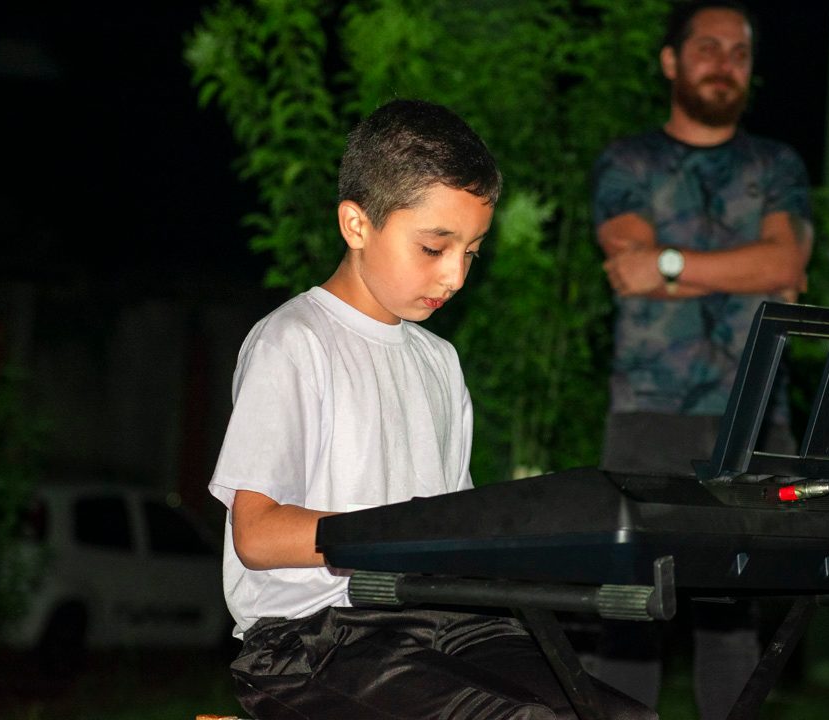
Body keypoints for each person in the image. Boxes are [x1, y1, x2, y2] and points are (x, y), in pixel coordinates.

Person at [210, 99, 653, 720]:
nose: (455, 277)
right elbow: (255, 534)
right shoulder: (295, 340)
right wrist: (405, 535)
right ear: (356, 224)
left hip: (447, 620)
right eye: (434, 247)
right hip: (315, 640)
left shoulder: (439, 360)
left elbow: (455, 527)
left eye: (471, 253)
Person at [590, 2, 813, 718]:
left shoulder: (777, 164)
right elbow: (629, 266)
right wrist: (749, 271)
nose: (725, 63)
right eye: (708, 48)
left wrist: (675, 263)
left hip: (753, 418)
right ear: (671, 61)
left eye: (740, 52)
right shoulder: (628, 161)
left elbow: (787, 264)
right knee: (629, 609)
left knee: (733, 617)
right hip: (649, 416)